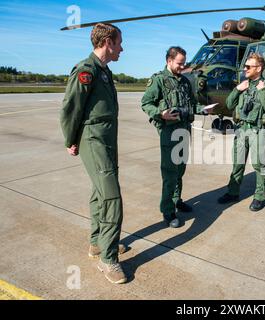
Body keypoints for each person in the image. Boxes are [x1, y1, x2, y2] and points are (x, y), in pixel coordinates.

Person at [60, 23, 127, 283]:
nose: (122, 48)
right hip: (94, 140)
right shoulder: (86, 71)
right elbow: (70, 108)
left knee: (100, 193)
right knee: (112, 198)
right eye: (119, 42)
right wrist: (71, 140)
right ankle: (108, 260)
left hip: (107, 140)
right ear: (108, 42)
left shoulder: (104, 71)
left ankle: (97, 242)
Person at [141, 46, 206, 228]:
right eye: (179, 63)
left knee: (180, 170)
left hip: (184, 131)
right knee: (170, 173)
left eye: (184, 63)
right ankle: (167, 211)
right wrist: (160, 114)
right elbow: (146, 103)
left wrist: (203, 110)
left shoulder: (184, 81)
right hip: (169, 133)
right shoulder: (159, 80)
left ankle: (176, 200)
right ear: (169, 61)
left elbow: (191, 105)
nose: (182, 66)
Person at [217, 53, 265, 211]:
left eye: (248, 66)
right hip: (241, 129)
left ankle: (259, 196)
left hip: (258, 130)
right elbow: (230, 105)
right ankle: (233, 192)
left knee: (259, 165)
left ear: (258, 68)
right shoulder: (243, 84)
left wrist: (263, 91)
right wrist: (237, 89)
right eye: (245, 66)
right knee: (237, 163)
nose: (244, 69)